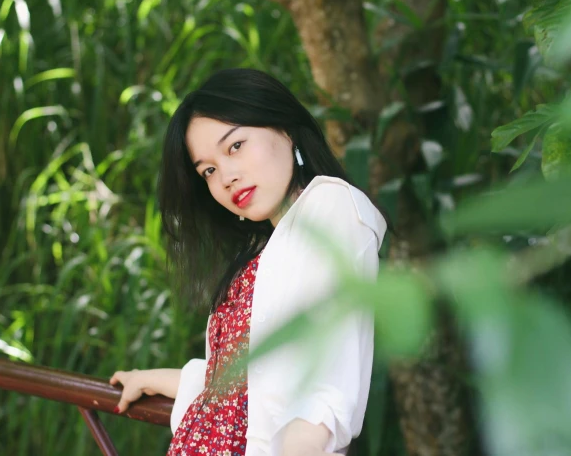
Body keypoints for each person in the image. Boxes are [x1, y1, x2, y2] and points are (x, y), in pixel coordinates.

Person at [109, 68, 388, 456]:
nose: (225, 177)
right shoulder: (263, 253)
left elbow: (327, 393)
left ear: (285, 129)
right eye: (208, 169)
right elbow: (239, 390)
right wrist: (156, 378)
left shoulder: (331, 208)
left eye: (235, 146)